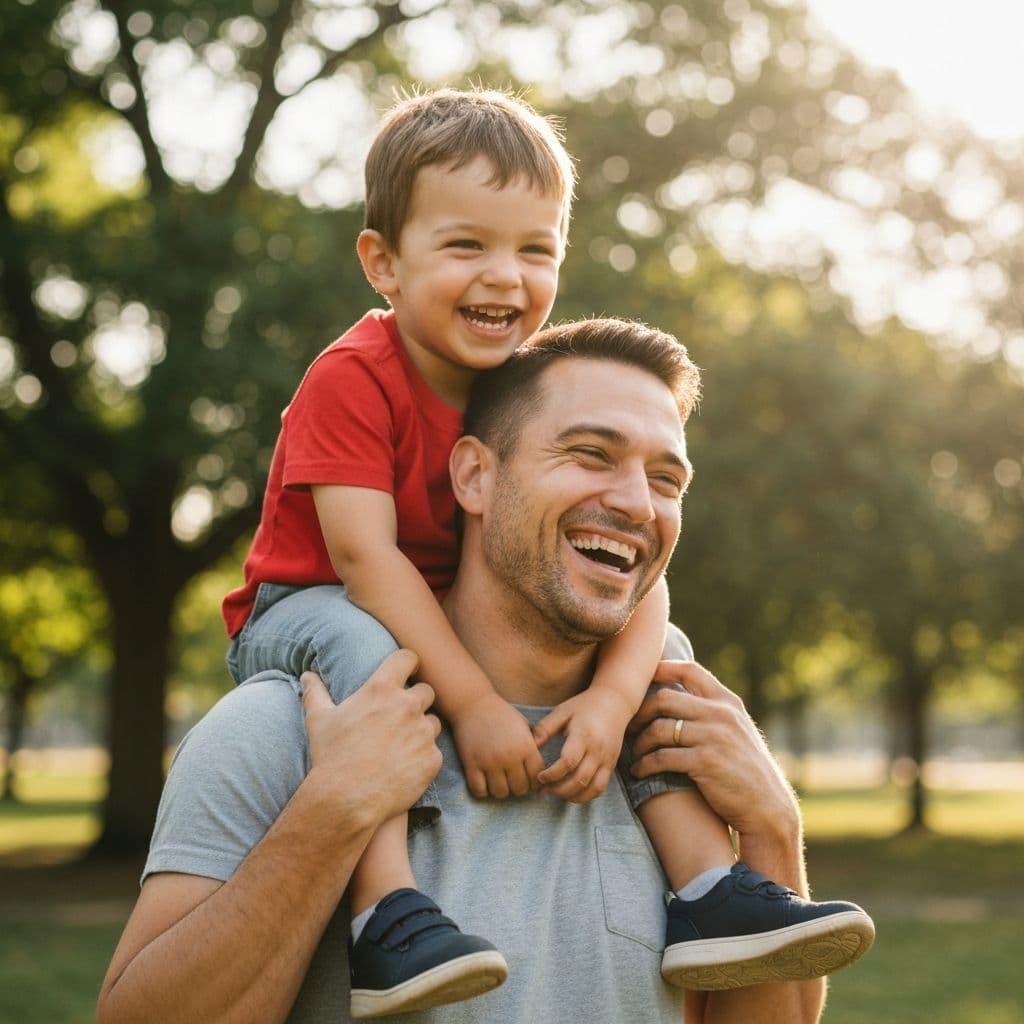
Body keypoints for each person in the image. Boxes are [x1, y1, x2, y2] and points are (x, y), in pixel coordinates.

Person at [216, 87, 867, 1018]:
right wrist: (473, 707)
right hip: (309, 606)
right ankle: (389, 910)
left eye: (535, 249)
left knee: (661, 665)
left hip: (402, 601)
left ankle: (709, 892)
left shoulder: (519, 389)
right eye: (466, 245)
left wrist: (615, 705)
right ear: (382, 262)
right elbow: (364, 564)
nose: (504, 277)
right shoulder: (352, 379)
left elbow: (647, 589)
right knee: (379, 668)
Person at [98, 318, 873, 1024]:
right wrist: (332, 812)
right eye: (590, 455)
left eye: (667, 480)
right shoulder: (286, 731)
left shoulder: (683, 745)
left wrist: (772, 829)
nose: (638, 502)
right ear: (472, 475)